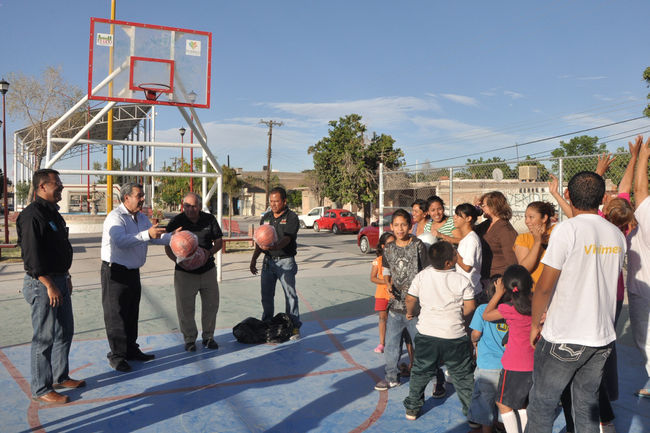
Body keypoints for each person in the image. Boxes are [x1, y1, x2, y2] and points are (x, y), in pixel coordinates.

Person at [527, 171, 626, 433]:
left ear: (568, 195)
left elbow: (544, 286)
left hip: (565, 336)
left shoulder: (566, 229)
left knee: (542, 404)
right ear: (602, 198)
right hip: (601, 338)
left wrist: (535, 324)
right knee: (586, 405)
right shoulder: (616, 234)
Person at [17, 169, 85, 404]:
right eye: (57, 183)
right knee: (44, 338)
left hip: (60, 280)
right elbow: (31, 257)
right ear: (42, 186)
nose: (61, 187)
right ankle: (41, 388)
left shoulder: (53, 213)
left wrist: (66, 276)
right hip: (43, 284)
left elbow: (59, 248)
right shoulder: (32, 216)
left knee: (65, 331)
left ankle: (60, 376)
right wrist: (49, 284)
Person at [101, 182, 176, 372]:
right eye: (139, 196)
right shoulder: (115, 217)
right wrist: (147, 234)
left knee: (131, 313)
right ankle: (117, 356)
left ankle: (131, 349)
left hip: (133, 272)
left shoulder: (141, 218)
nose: (143, 199)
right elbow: (121, 241)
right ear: (126, 198)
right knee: (116, 315)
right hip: (115, 273)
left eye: (143, 196)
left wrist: (176, 238)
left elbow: (154, 237)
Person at [402, 241, 476, 421]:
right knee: (462, 376)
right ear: (448, 263)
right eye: (455, 253)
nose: (457, 254)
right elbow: (470, 307)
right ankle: (473, 414)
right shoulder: (462, 280)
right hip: (454, 335)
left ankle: (412, 408)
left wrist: (411, 312)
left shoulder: (422, 276)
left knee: (420, 372)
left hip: (427, 333)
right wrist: (458, 317)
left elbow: (410, 299)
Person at [373, 208, 430, 391]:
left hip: (415, 308)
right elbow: (386, 269)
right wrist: (387, 282)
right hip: (395, 308)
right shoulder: (389, 248)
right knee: (391, 345)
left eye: (403, 225)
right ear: (391, 227)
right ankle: (391, 377)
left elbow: (426, 271)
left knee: (420, 345)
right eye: (396, 225)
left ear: (410, 226)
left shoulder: (418, 245)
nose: (400, 229)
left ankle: (424, 376)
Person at [165, 192, 223, 352]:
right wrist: (179, 261)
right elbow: (167, 246)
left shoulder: (209, 219)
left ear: (200, 206)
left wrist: (208, 253)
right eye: (187, 206)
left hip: (207, 270)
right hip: (185, 273)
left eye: (194, 206)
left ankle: (208, 337)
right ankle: (189, 339)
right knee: (185, 308)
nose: (190, 209)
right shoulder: (177, 222)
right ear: (182, 206)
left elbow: (219, 241)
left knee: (211, 305)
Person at [483, 265, 534, 433]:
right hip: (533, 364)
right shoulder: (537, 306)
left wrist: (498, 293)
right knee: (523, 403)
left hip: (513, 365)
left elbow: (486, 315)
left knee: (503, 404)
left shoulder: (509, 309)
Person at [250, 187, 301, 339]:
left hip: (286, 261)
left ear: (284, 201)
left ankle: (293, 327)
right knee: (266, 296)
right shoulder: (266, 218)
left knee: (290, 296)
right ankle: (267, 324)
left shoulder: (292, 217)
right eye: (271, 201)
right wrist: (254, 259)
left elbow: (287, 239)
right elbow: (260, 241)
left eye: (276, 201)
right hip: (268, 262)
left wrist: (274, 247)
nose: (273, 204)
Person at [468, 276, 508, 433]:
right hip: (507, 367)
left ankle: (486, 431)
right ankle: (503, 428)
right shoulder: (511, 310)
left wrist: (473, 341)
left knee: (485, 405)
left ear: (487, 291)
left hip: (487, 367)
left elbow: (476, 334)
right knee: (504, 403)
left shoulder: (482, 309)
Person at [627, 135, 650, 399]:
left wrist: (642, 157)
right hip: (641, 290)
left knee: (645, 341)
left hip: (644, 292)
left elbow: (639, 191)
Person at [475, 191, 518, 283]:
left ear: (493, 206)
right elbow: (468, 231)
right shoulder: (486, 224)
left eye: (483, 205)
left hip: (498, 279)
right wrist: (474, 210)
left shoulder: (505, 230)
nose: (482, 208)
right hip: (484, 276)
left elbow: (512, 260)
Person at [513, 201, 555, 290]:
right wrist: (537, 242)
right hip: (533, 291)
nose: (527, 221)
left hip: (555, 289)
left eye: (531, 217)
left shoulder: (556, 232)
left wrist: (556, 195)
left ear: (544, 218)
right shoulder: (523, 238)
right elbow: (524, 269)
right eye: (525, 217)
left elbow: (577, 218)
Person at [371, 232, 396, 353]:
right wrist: (386, 282)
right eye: (388, 244)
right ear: (382, 246)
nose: (392, 246)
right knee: (382, 318)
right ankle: (382, 343)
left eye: (393, 243)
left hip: (395, 294)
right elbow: (372, 278)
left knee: (396, 319)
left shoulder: (398, 259)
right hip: (381, 294)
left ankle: (394, 343)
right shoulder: (378, 261)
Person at [453, 203, 483, 297]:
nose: (454, 217)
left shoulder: (471, 239)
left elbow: (467, 266)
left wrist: (454, 253)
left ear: (468, 218)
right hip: (464, 289)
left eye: (458, 215)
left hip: (471, 291)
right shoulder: (466, 238)